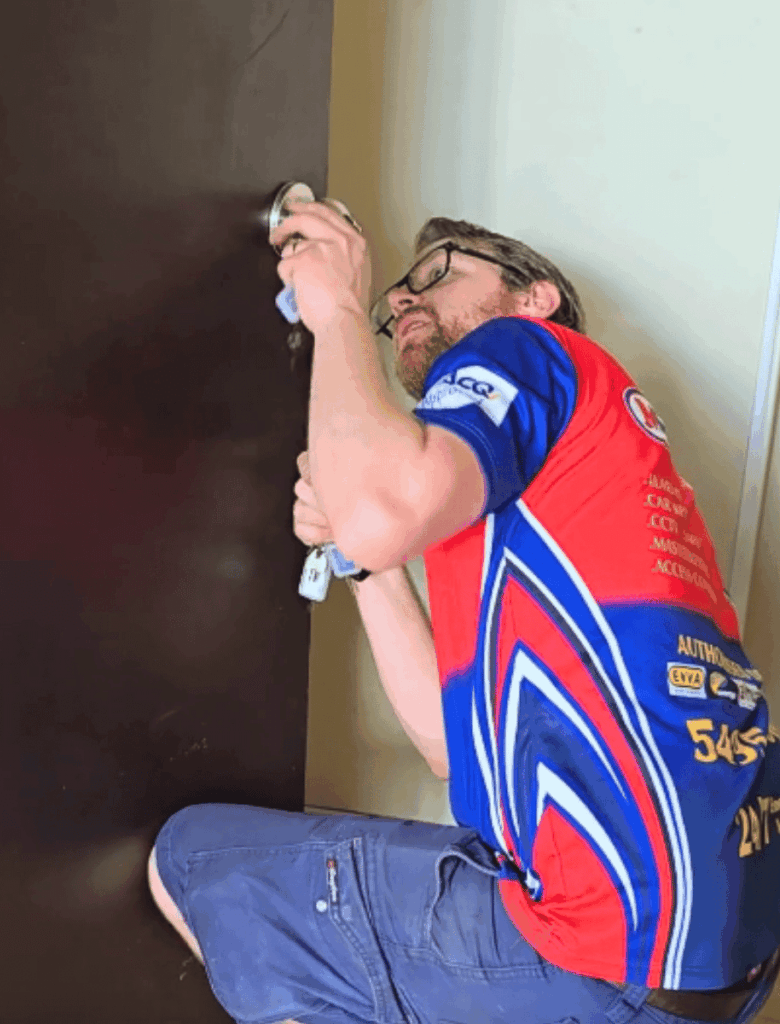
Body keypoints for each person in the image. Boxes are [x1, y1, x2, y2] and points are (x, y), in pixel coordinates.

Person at [148, 200, 780, 1024]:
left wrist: (337, 304)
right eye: (392, 300)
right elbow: (448, 744)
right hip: (710, 965)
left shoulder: (529, 350)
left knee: (193, 859)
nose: (403, 301)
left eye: (436, 273)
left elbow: (383, 503)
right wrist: (361, 560)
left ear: (534, 298)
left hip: (604, 948)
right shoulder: (557, 501)